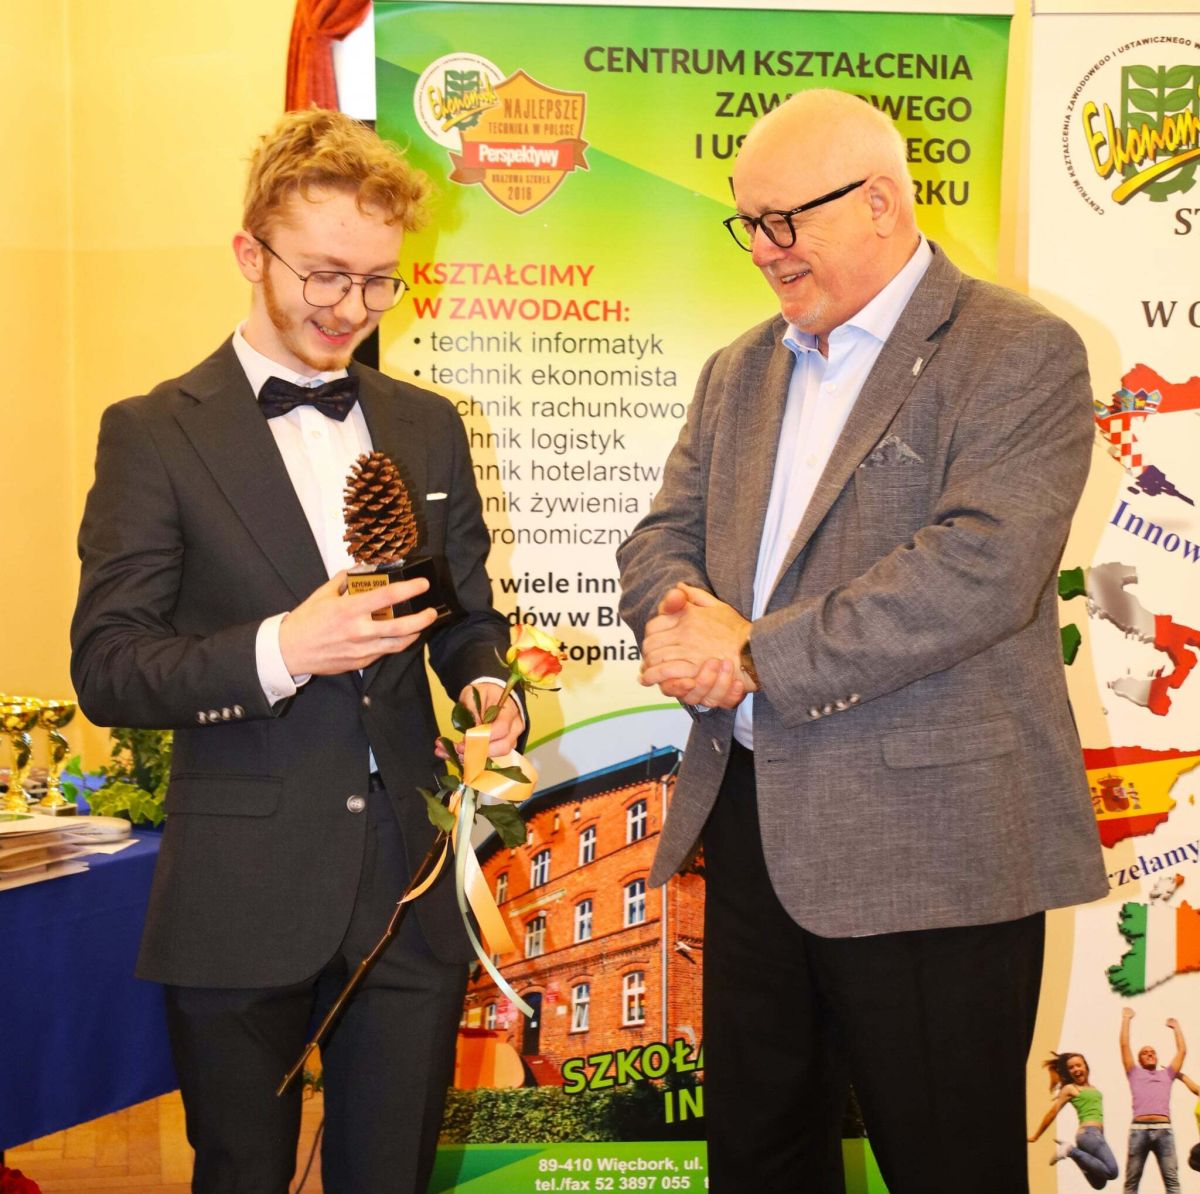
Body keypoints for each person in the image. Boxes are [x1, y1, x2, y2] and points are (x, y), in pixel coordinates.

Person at [616, 88, 1107, 1194]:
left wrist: (754, 655)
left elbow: (978, 569)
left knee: (950, 1165)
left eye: (784, 221)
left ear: (881, 203)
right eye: (748, 223)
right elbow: (660, 536)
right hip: (752, 826)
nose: (763, 250)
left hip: (931, 844)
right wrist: (679, 617)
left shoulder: (1017, 350)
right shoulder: (738, 369)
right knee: (760, 1159)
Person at [70, 109, 522, 1194]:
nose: (351, 309)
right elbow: (110, 668)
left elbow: (464, 615)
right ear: (249, 253)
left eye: (378, 282)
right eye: (324, 275)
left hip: (408, 887)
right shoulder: (153, 432)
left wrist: (485, 684)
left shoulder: (428, 425)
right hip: (240, 887)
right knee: (241, 1175)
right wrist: (285, 647)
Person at [1029, 1052, 1119, 1187]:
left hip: (1096, 1136)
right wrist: (1036, 1135)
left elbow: (1099, 1118)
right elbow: (1052, 1112)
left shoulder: (1093, 1088)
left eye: (1078, 1065)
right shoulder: (1070, 1088)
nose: (1075, 1069)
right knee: (1112, 1172)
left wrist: (1102, 1137)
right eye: (1071, 1068)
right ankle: (1070, 1151)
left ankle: (1073, 1153)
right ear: (1068, 1072)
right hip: (1088, 1134)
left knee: (1099, 1183)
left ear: (1086, 1067)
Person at [1120, 1009, 1185, 1193]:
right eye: (1144, 1053)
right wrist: (1126, 1019)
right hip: (1139, 1130)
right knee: (1131, 1181)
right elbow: (1124, 1045)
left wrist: (1176, 1028)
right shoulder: (1134, 1073)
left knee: (1172, 1181)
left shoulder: (1167, 1074)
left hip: (1164, 1130)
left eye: (1152, 1052)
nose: (1149, 1054)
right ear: (1139, 1059)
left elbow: (1182, 1051)